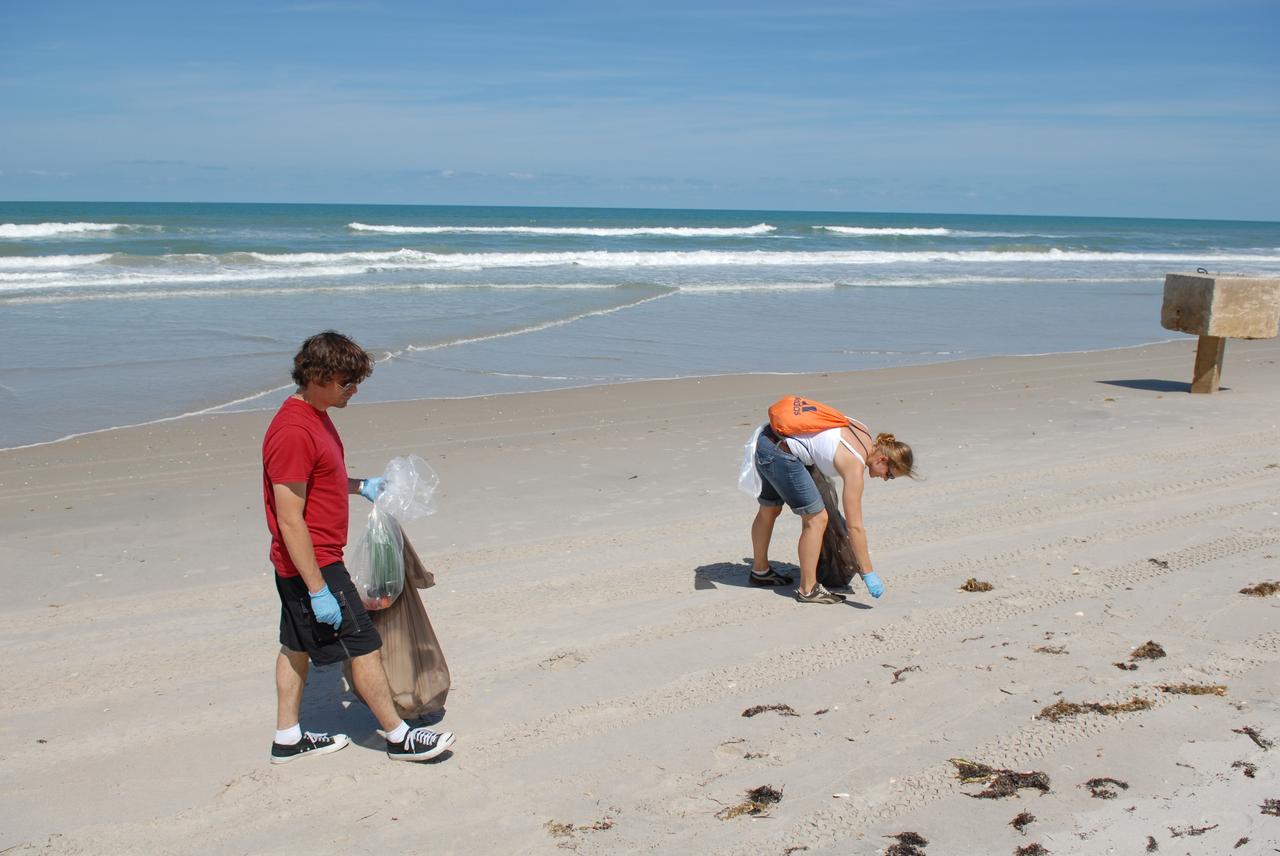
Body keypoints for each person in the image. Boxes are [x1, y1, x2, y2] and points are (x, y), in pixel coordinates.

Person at [262, 330, 456, 764]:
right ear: (318, 376)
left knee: (295, 647)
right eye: (346, 383)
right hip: (312, 563)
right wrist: (317, 589)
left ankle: (288, 738)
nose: (354, 391)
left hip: (309, 561)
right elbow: (290, 518)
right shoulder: (292, 431)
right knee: (363, 644)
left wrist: (359, 486)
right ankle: (398, 736)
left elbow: (319, 481)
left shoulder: (317, 416)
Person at [749, 413, 913, 604]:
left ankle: (760, 571)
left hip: (767, 439)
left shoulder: (863, 430)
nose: (885, 479)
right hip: (781, 454)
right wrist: (869, 573)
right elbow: (855, 527)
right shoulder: (854, 466)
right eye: (890, 475)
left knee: (770, 509)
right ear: (882, 460)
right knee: (817, 519)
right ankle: (808, 589)